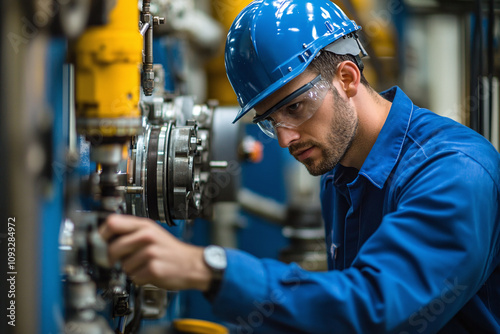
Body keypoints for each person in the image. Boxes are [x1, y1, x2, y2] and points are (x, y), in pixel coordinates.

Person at [100, 0, 500, 332]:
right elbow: (340, 308)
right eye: (271, 122)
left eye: (295, 107)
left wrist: (211, 270)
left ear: (346, 77)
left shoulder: (453, 173)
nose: (287, 138)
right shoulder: (341, 171)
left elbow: (377, 312)